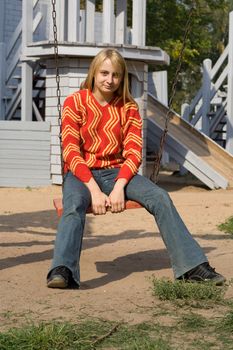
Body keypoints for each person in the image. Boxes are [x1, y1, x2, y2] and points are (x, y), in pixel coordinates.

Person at [47, 48, 225, 289]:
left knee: (160, 197)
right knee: (74, 204)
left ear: (122, 78)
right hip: (81, 173)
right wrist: (95, 191)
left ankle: (192, 266)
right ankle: (63, 269)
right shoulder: (75, 102)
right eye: (104, 73)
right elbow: (70, 150)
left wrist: (119, 186)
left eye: (116, 75)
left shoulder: (128, 108)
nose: (110, 80)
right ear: (94, 73)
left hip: (116, 172)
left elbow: (132, 153)